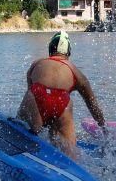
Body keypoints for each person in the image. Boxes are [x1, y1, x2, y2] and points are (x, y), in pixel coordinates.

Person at [17, 31, 106, 159]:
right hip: (62, 104)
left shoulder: (36, 64)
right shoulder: (77, 73)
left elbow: (31, 92)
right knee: (70, 155)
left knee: (22, 126)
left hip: (37, 95)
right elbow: (93, 106)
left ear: (50, 49)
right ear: (68, 53)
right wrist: (103, 128)